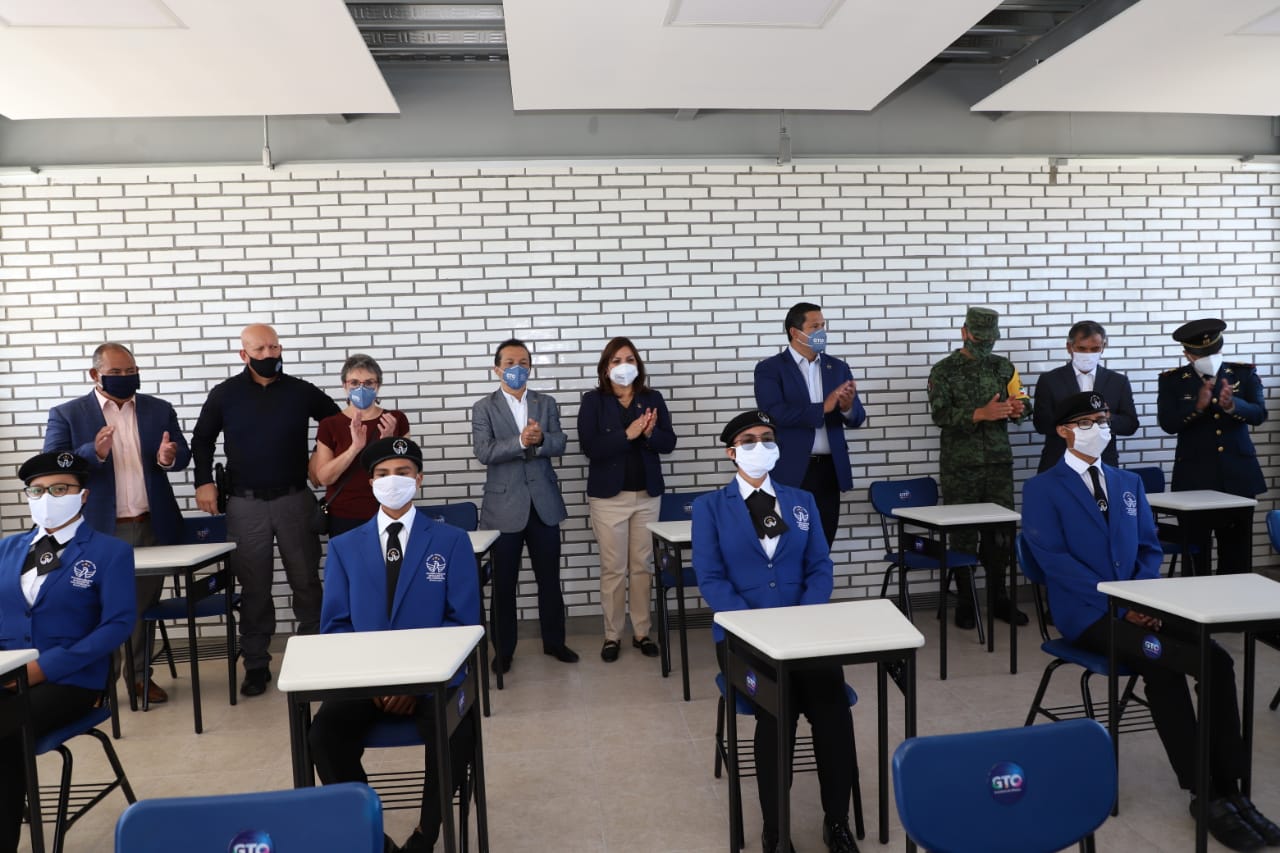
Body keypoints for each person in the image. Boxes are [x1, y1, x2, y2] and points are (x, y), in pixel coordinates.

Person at [1022, 392, 1280, 852]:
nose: (1099, 428)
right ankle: (1205, 793)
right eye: (1087, 421)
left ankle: (1232, 787)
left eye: (1103, 419)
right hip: (1089, 614)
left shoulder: (1128, 482)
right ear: (1064, 431)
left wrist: (1143, 600)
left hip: (1144, 605)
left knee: (1217, 660)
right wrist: (1123, 606)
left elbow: (1148, 547)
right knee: (1164, 667)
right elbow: (1056, 563)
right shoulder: (1042, 488)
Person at [693, 410, 860, 853]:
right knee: (775, 710)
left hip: (805, 633)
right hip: (744, 637)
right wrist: (758, 626)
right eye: (748, 440)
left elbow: (820, 566)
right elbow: (710, 578)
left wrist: (802, 618)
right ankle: (776, 829)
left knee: (832, 710)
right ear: (731, 453)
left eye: (767, 438)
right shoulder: (711, 508)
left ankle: (837, 822)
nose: (760, 446)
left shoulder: (800, 500)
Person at [308, 437, 481, 853]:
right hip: (366, 682)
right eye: (383, 474)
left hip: (433, 680)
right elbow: (336, 625)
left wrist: (415, 684)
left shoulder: (451, 541)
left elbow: (462, 623)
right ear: (370, 483)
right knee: (323, 735)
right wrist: (376, 682)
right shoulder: (345, 546)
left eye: (403, 472)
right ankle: (375, 838)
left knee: (458, 731)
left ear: (418, 479)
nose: (393, 481)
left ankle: (424, 837)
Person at [191, 324, 341, 697]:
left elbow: (335, 422)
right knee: (254, 588)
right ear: (244, 354)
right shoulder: (225, 394)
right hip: (245, 505)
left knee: (306, 581)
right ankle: (256, 665)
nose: (268, 354)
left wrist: (319, 458)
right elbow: (202, 440)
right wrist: (203, 482)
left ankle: (315, 657)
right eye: (260, 349)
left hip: (294, 500)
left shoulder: (300, 391)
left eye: (273, 347)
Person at [0, 452, 134, 853]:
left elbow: (117, 624)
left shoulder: (109, 552)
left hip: (72, 678)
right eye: (37, 491)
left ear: (83, 495)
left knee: (5, 732)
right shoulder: (7, 549)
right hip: (8, 672)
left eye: (60, 489)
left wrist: (44, 668)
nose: (47, 498)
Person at [43, 342, 190, 705]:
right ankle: (98, 684)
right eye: (117, 372)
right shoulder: (68, 414)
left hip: (150, 525)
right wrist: (93, 452)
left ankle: (139, 677)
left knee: (140, 609)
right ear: (95, 374)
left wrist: (168, 457)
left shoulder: (158, 409)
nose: (126, 377)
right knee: (97, 610)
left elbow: (182, 454)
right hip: (97, 530)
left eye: (131, 371)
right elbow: (52, 466)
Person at [471, 338, 577, 674]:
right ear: (497, 369)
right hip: (503, 509)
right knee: (503, 584)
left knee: (550, 579)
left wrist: (541, 439)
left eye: (524, 363)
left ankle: (555, 642)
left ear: (530, 367)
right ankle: (503, 651)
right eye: (510, 363)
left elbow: (560, 442)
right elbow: (484, 452)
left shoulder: (546, 402)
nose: (517, 369)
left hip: (543, 504)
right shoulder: (483, 407)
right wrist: (519, 441)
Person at [926, 306, 1030, 629]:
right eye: (978, 337)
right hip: (961, 466)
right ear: (964, 332)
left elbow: (1025, 400)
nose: (984, 344)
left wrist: (1019, 408)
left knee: (1001, 535)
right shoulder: (944, 371)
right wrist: (979, 414)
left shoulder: (1004, 368)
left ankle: (999, 597)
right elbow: (940, 415)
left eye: (989, 339)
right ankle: (966, 601)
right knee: (963, 535)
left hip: (998, 464)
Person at [577, 337, 677, 662]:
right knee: (613, 568)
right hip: (609, 499)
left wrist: (649, 434)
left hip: (647, 495)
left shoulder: (652, 398)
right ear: (606, 367)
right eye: (616, 360)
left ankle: (642, 632)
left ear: (638, 365)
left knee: (642, 566)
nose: (624, 366)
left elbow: (668, 442)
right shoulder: (593, 401)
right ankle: (612, 635)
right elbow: (590, 448)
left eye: (630, 359)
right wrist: (628, 434)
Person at [1157, 318, 1267, 575]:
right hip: (1194, 479)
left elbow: (1259, 414)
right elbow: (1168, 424)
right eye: (1201, 354)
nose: (1208, 358)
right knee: (1196, 554)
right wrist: (1196, 407)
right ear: (1187, 354)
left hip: (1238, 478)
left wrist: (1233, 406)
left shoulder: (1243, 374)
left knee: (1237, 555)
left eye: (1213, 352)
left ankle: (1236, 599)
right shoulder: (1173, 380)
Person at [754, 302, 866, 550]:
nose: (821, 332)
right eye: (815, 326)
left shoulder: (838, 368)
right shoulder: (770, 369)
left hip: (829, 470)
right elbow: (773, 413)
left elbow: (858, 417)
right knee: (789, 544)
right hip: (791, 469)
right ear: (795, 332)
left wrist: (847, 407)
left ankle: (819, 578)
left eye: (823, 326)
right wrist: (822, 408)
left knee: (824, 542)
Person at [309, 354, 409, 537]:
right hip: (344, 515)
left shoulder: (395, 420)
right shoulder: (330, 425)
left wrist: (388, 444)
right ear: (344, 386)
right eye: (354, 382)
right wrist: (354, 448)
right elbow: (324, 478)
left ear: (378, 386)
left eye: (369, 383)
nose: (361, 388)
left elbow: (408, 473)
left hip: (389, 511)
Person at [1032, 320, 1139, 472]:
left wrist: (1106, 418)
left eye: (1095, 349)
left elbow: (1131, 425)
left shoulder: (1118, 381)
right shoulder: (1049, 380)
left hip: (1104, 463)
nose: (1088, 354)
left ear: (1103, 347)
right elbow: (1041, 424)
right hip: (1058, 461)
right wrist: (1077, 422)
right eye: (1082, 349)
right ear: (1069, 347)